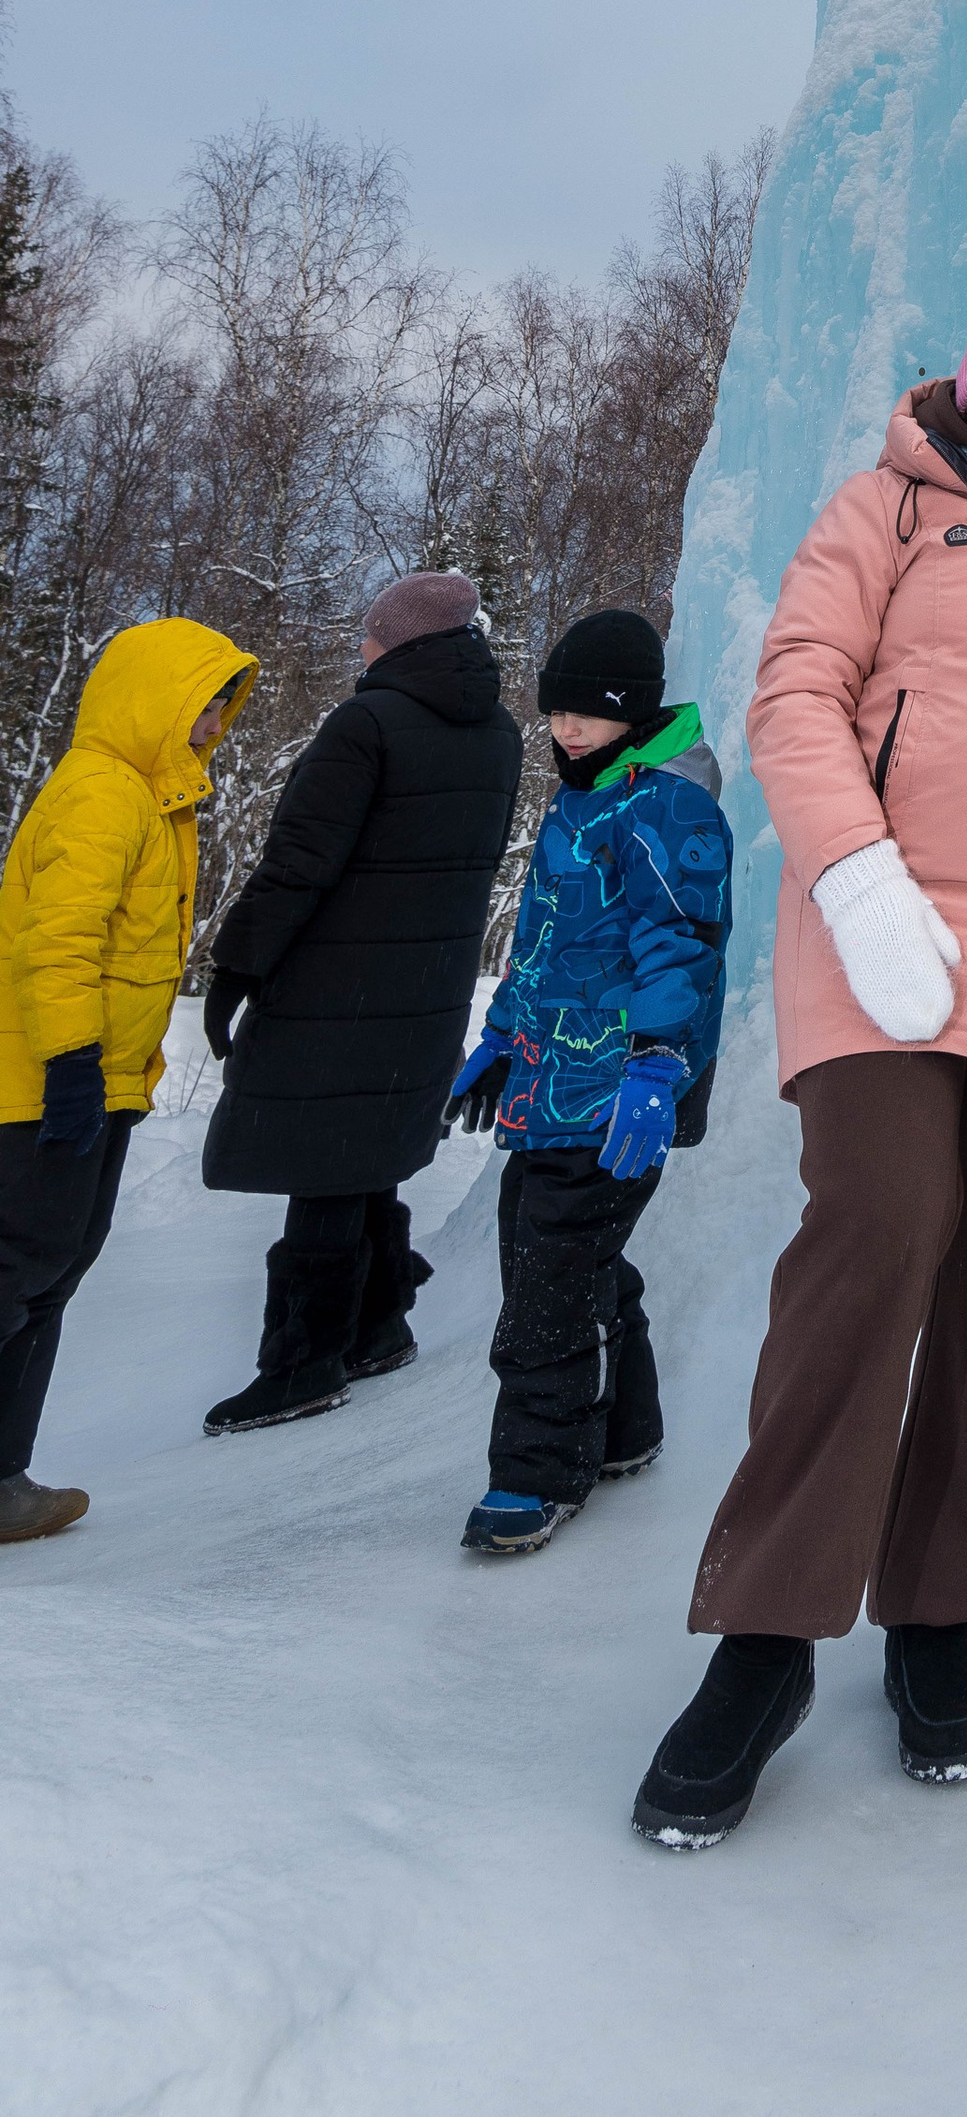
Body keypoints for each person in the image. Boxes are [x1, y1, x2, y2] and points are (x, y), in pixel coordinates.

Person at [634, 294, 967, 1851]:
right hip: (885, 937)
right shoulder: (885, 506)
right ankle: (767, 1633)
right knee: (880, 1228)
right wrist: (858, 877)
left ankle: (938, 1611)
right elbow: (797, 690)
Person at [197, 571, 523, 1433]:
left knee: (324, 1164)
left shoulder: (366, 723)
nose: (362, 645)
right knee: (364, 1144)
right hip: (425, 987)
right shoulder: (497, 731)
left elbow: (298, 861)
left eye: (371, 632)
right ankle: (379, 1325)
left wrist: (236, 967)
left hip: (337, 984)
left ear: (401, 640)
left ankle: (302, 1362)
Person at [444, 605, 733, 1552]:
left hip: (618, 1088)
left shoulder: (668, 805)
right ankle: (625, 1430)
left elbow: (681, 943)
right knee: (560, 1261)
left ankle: (537, 1472)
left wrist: (657, 1061)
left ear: (634, 708)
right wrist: (501, 1035)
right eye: (556, 709)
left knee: (549, 1286)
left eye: (588, 709)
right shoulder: (580, 797)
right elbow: (541, 941)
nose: (566, 727)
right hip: (551, 1077)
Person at [0, 620, 256, 1541]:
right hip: (42, 1081)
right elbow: (60, 937)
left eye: (224, 703)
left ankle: (3, 1480)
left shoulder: (150, 798)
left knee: (52, 1271)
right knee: (19, 1268)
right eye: (205, 702)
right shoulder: (103, 793)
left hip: (98, 1080)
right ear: (153, 700)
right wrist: (72, 1060)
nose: (217, 721)